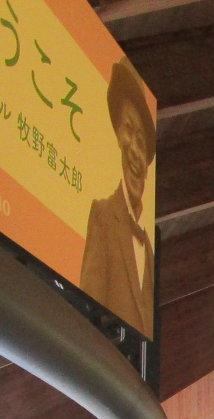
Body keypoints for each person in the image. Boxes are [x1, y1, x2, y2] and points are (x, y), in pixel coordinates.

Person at [78, 56, 155, 337]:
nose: (135, 150)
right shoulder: (103, 216)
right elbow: (86, 312)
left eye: (142, 140)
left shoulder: (150, 250)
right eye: (129, 131)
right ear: (119, 137)